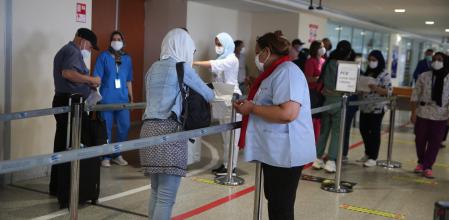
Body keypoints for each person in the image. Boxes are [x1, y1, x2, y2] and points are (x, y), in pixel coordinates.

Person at [234, 31, 315, 220]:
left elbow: (288, 113)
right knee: (276, 201)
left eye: (257, 52)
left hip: (286, 152)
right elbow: (269, 103)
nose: (256, 57)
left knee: (281, 207)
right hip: (273, 151)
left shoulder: (287, 71)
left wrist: (252, 108)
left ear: (267, 51)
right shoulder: (273, 73)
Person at [140, 28, 214, 219]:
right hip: (169, 131)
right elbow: (209, 95)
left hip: (147, 130)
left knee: (156, 192)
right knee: (166, 197)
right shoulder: (181, 67)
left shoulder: (152, 68)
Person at [50, 28, 101, 195]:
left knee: (62, 143)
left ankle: (58, 186)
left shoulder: (67, 50)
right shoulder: (72, 50)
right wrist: (91, 79)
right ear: (83, 41)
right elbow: (68, 73)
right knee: (71, 143)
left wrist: (87, 84)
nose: (89, 51)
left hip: (67, 101)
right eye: (90, 47)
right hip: (69, 102)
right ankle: (67, 187)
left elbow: (72, 74)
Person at [194, 32, 242, 176]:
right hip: (222, 96)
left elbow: (213, 65)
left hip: (231, 97)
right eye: (216, 43)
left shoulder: (231, 59)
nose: (217, 47)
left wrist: (192, 62)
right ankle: (226, 164)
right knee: (224, 137)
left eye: (219, 44)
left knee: (232, 137)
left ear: (227, 44)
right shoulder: (221, 57)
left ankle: (232, 168)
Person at [312, 40, 353, 172]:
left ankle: (317, 159)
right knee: (336, 132)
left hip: (326, 101)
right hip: (339, 101)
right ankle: (330, 161)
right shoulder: (345, 66)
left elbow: (321, 81)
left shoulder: (328, 62)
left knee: (324, 131)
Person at [94, 31, 133, 167]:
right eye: (114, 39)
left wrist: (131, 96)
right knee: (107, 129)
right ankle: (106, 156)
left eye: (119, 39)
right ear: (110, 41)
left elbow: (128, 80)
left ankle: (117, 154)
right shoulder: (103, 57)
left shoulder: (127, 59)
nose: (116, 41)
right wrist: (95, 96)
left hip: (122, 99)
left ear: (123, 42)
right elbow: (97, 78)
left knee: (125, 126)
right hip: (107, 99)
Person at [410, 52, 449, 179]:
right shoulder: (424, 76)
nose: (436, 62)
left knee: (435, 142)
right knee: (420, 139)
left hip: (441, 115)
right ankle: (421, 161)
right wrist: (413, 112)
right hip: (423, 112)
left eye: (439, 59)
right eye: (434, 59)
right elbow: (415, 94)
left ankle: (427, 166)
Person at [357, 50, 392, 167]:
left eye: (374, 60)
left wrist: (376, 88)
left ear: (379, 60)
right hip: (364, 106)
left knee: (374, 131)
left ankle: (373, 157)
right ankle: (367, 152)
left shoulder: (384, 74)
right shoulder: (367, 72)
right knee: (363, 129)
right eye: (370, 60)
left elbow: (388, 91)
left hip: (377, 107)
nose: (371, 62)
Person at [304, 40, 326, 143]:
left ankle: (316, 141)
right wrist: (319, 78)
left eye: (323, 46)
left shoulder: (323, 61)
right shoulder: (310, 61)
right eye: (321, 46)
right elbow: (308, 78)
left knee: (319, 119)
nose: (323, 48)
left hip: (322, 92)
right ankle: (309, 140)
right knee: (312, 118)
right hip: (312, 92)